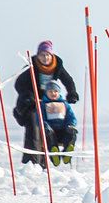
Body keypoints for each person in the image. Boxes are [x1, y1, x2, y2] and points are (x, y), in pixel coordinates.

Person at [14, 40, 79, 168]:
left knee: (52, 127)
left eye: (47, 55)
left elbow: (68, 80)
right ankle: (32, 161)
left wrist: (72, 93)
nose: (45, 58)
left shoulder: (57, 65)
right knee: (34, 127)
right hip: (32, 104)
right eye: (42, 55)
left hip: (48, 102)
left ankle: (50, 156)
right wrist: (30, 96)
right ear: (37, 56)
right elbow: (19, 84)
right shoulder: (31, 66)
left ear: (52, 55)